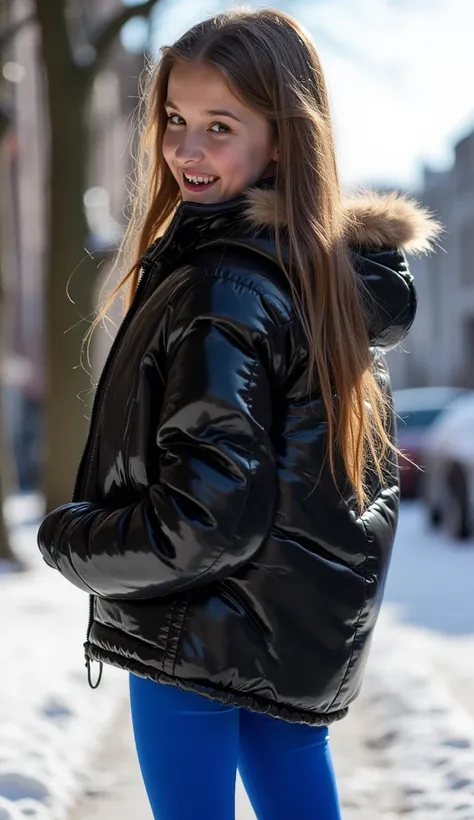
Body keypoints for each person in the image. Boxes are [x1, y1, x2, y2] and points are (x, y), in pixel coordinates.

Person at [37, 7, 442, 819]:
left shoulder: (226, 284)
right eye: (176, 121)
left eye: (219, 127)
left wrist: (70, 538)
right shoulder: (317, 281)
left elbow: (206, 521)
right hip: (281, 634)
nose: (186, 150)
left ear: (284, 138)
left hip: (191, 635)